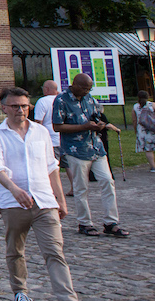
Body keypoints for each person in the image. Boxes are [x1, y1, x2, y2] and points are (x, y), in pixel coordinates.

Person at [0, 87, 94, 301]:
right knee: (16, 250)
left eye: (24, 106)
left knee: (55, 253)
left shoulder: (40, 132)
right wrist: (14, 190)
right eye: (15, 106)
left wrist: (61, 199)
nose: (20, 110)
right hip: (13, 204)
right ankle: (20, 290)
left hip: (44, 202)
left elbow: (51, 167)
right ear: (4, 108)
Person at [53, 73, 128, 236]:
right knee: (81, 187)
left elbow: (95, 116)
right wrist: (84, 127)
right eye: (85, 88)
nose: (87, 91)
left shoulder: (90, 99)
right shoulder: (61, 100)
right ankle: (85, 222)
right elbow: (57, 126)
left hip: (96, 147)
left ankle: (111, 221)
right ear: (75, 85)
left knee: (108, 181)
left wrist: (99, 124)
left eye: (89, 88)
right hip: (76, 149)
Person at [134, 90, 155, 172]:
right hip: (153, 129)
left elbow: (134, 120)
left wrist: (136, 130)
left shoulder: (135, 106)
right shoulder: (152, 105)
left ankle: (153, 166)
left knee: (148, 149)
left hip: (142, 130)